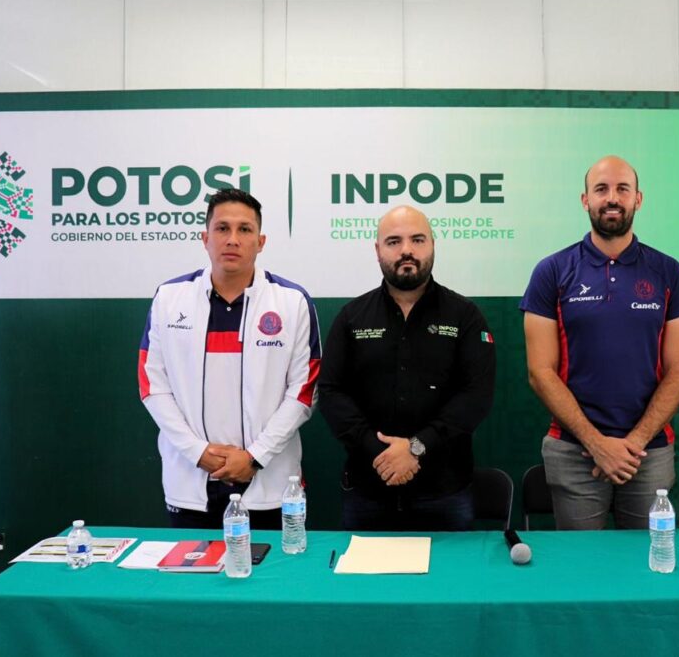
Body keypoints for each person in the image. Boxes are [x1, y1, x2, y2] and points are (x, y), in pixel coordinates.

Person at [521, 155, 679, 530]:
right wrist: (597, 443)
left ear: (638, 199)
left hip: (648, 453)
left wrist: (633, 443)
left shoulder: (668, 271)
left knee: (648, 559)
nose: (612, 198)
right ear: (585, 200)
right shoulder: (551, 271)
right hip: (573, 450)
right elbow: (540, 372)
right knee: (582, 562)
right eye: (601, 189)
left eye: (622, 189)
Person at [138, 188, 321, 530]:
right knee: (192, 567)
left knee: (274, 566)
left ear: (261, 242)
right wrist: (197, 452)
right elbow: (153, 387)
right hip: (189, 484)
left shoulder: (292, 301)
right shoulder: (169, 298)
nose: (232, 239)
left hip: (272, 487)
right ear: (205, 238)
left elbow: (303, 393)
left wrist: (254, 457)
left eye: (244, 229)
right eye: (222, 228)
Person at [318, 205, 495, 531]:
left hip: (445, 493)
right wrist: (380, 452)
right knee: (363, 568)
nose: (406, 250)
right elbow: (331, 392)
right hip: (368, 488)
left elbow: (476, 396)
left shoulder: (465, 316)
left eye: (417, 239)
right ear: (377, 250)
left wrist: (416, 448)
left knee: (450, 568)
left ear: (433, 245)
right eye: (394, 241)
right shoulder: (351, 317)